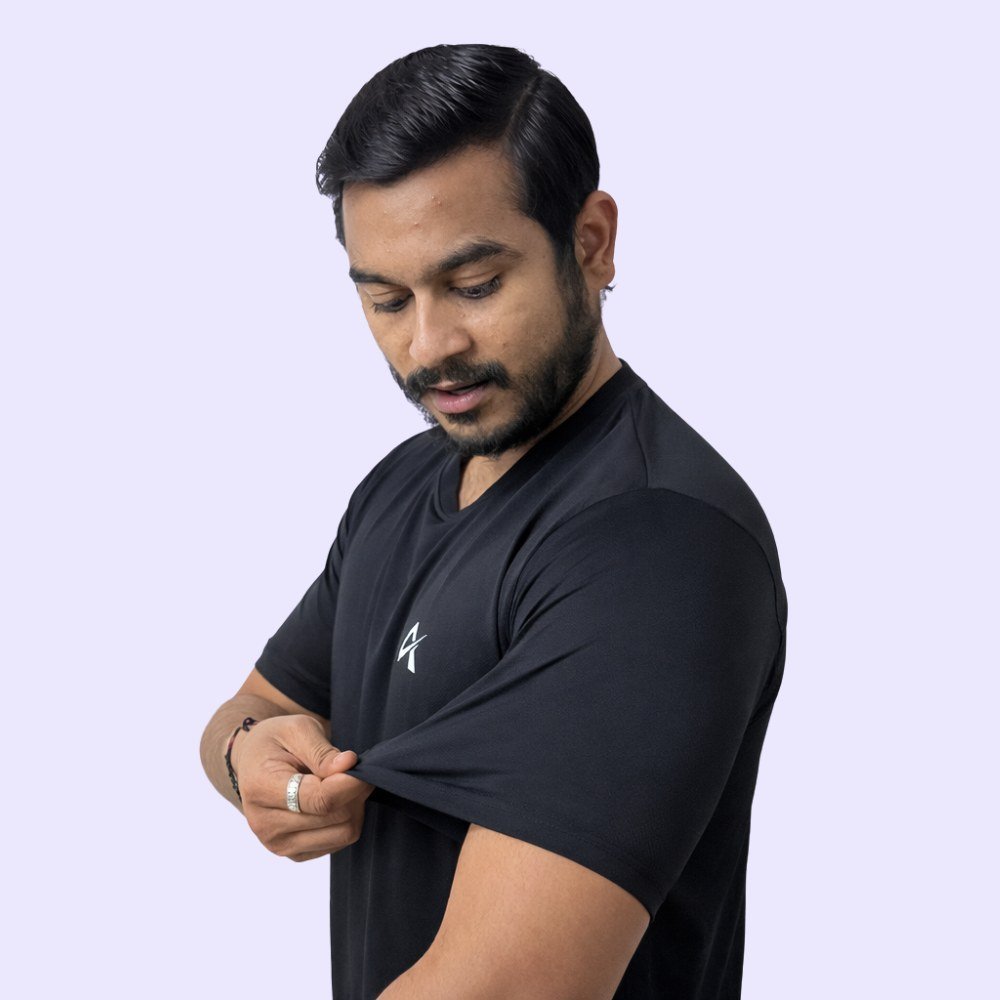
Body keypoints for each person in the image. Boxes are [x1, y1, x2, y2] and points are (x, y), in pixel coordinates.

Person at [200, 42, 787, 1000]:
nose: (430, 345)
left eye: (474, 285)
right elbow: (252, 709)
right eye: (387, 299)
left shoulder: (659, 544)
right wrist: (247, 761)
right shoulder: (399, 488)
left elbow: (502, 987)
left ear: (590, 242)